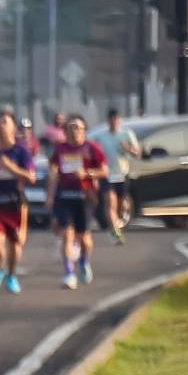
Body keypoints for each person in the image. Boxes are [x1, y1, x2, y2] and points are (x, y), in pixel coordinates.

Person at [0, 107, 35, 294]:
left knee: (16, 243)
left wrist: (11, 168)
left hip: (16, 203)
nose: (1, 126)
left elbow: (31, 177)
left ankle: (11, 275)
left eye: (5, 122)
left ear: (13, 127)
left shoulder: (21, 151)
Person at [47, 113, 107, 289]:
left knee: (84, 238)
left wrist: (87, 174)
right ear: (65, 131)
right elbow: (53, 171)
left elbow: (104, 171)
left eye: (77, 127)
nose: (73, 131)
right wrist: (50, 195)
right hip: (65, 196)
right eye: (70, 127)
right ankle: (69, 273)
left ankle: (84, 261)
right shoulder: (60, 149)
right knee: (67, 234)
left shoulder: (92, 148)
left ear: (84, 131)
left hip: (85, 196)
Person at [94, 108, 138, 243]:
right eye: (111, 119)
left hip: (122, 174)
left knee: (121, 206)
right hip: (107, 175)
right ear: (108, 121)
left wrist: (128, 148)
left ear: (119, 120)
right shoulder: (101, 136)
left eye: (116, 119)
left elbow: (136, 153)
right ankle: (115, 232)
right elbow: (91, 148)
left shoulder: (126, 134)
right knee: (110, 203)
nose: (114, 122)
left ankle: (115, 224)